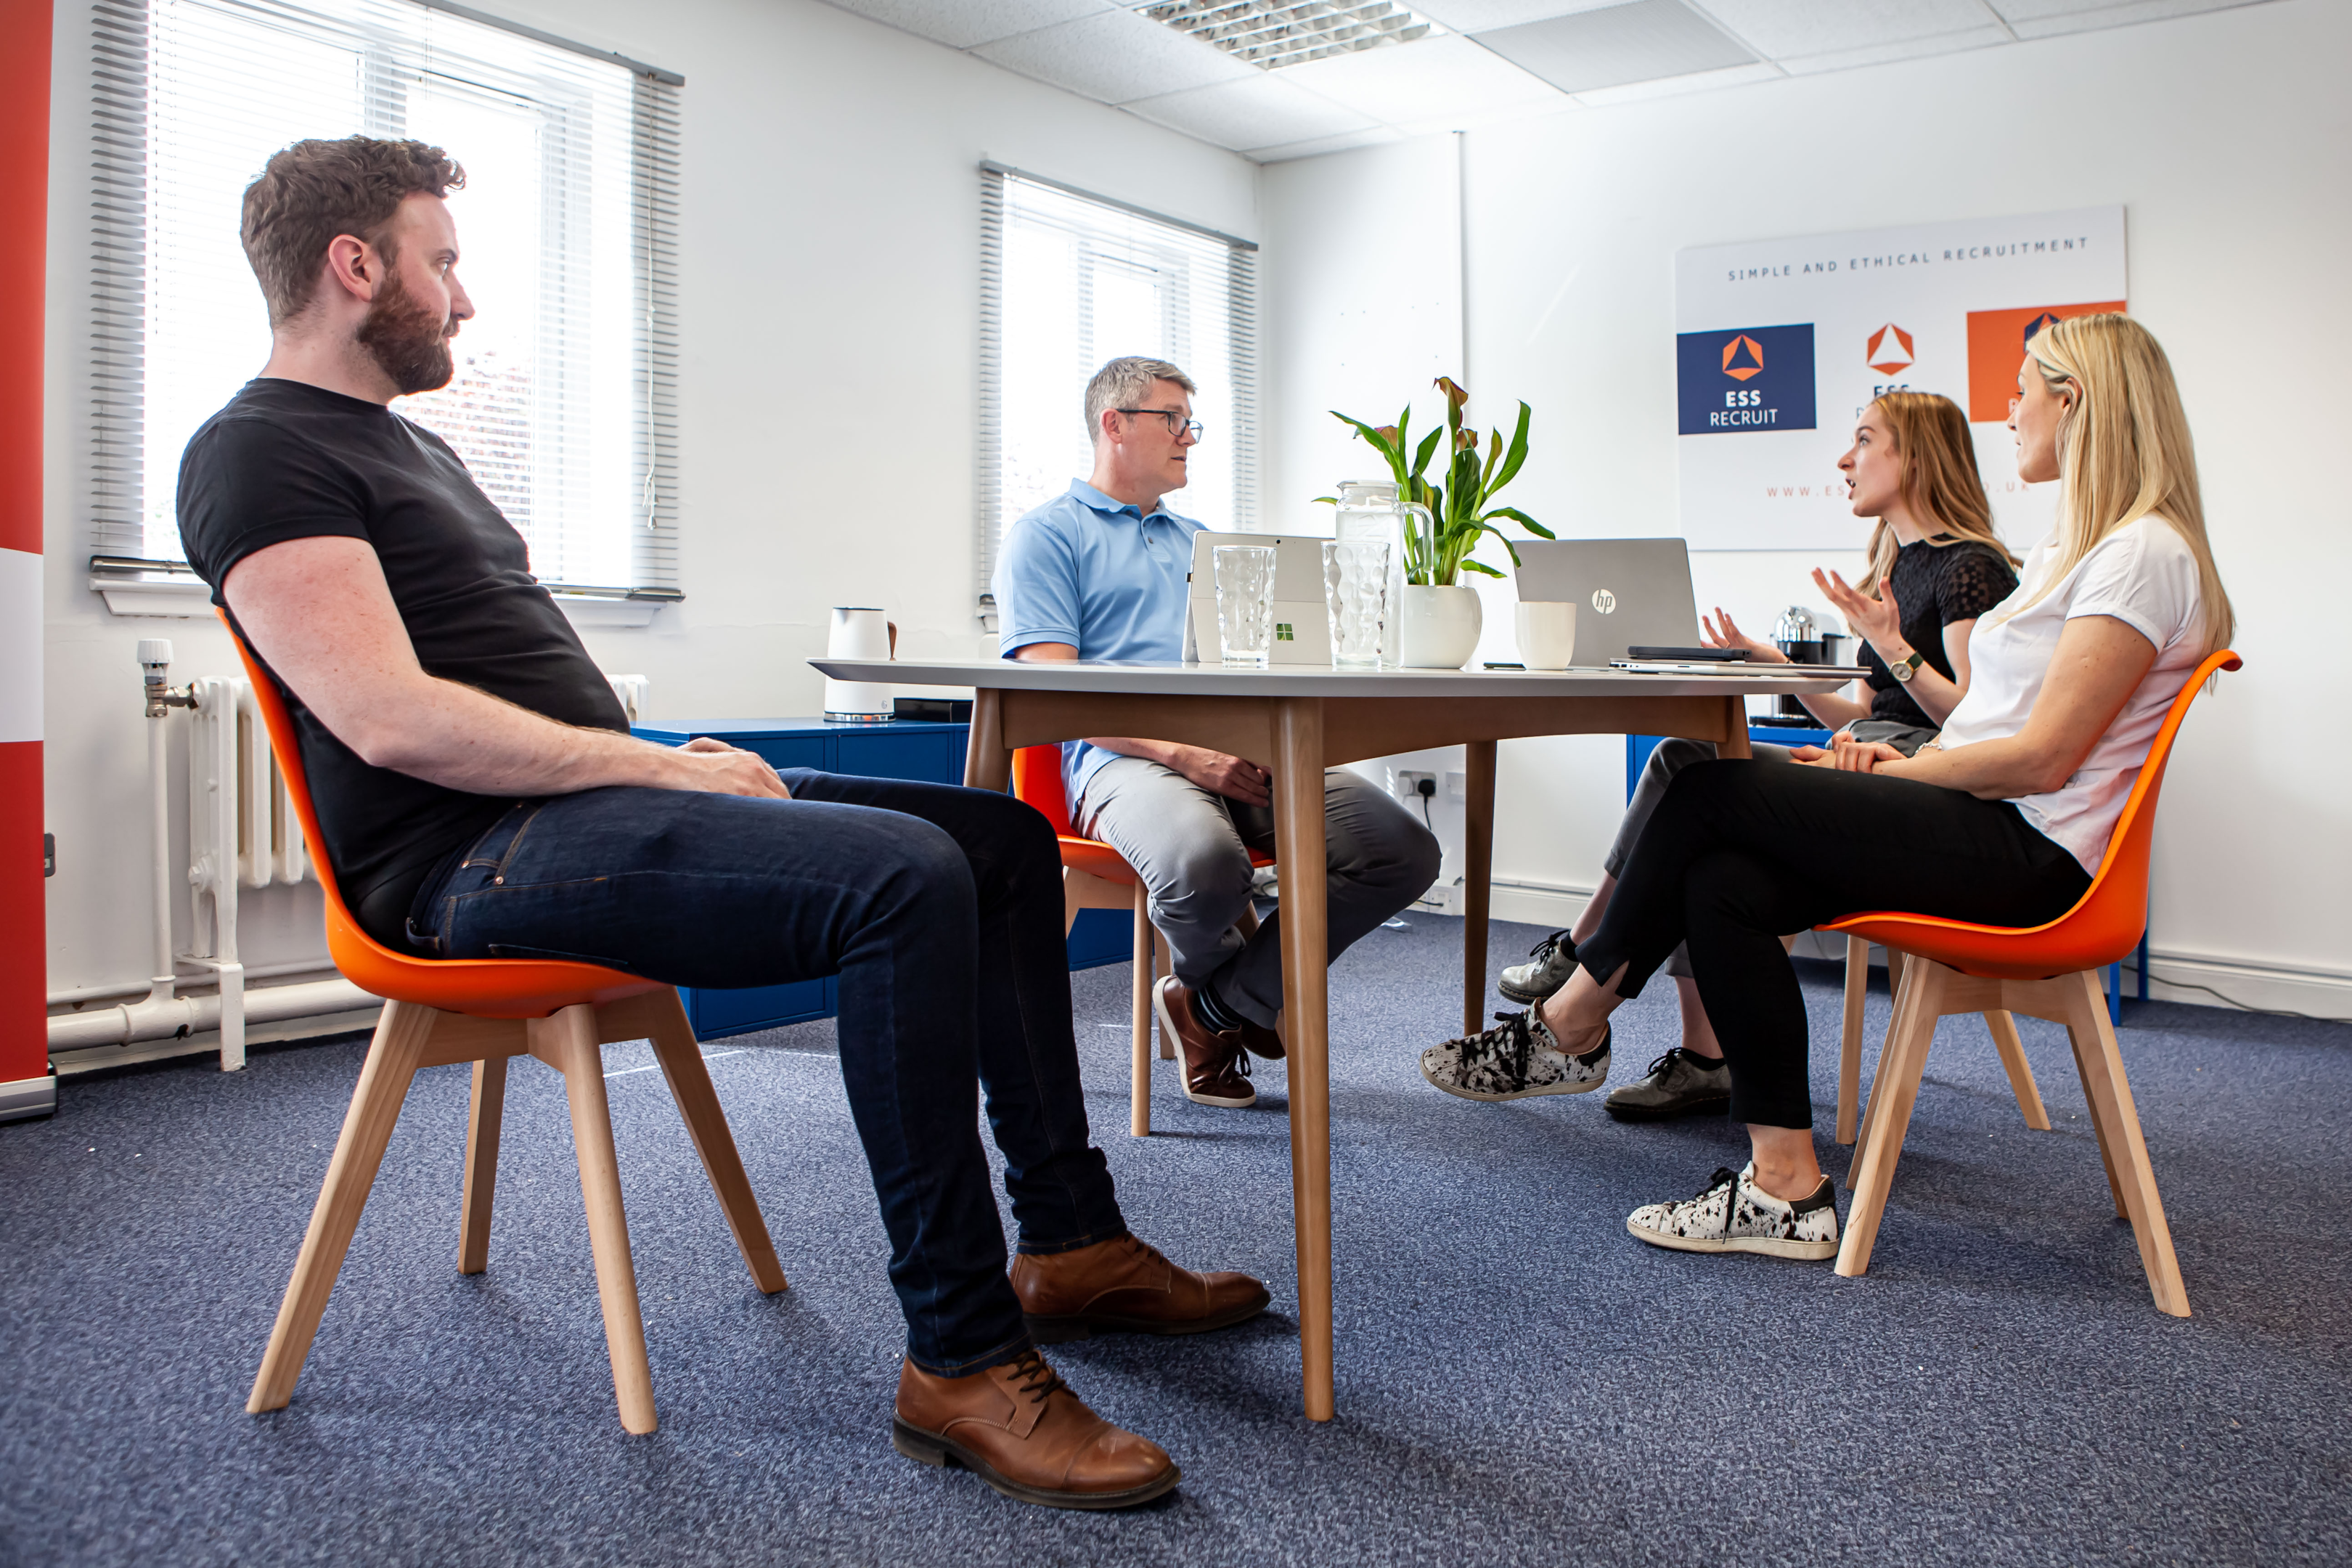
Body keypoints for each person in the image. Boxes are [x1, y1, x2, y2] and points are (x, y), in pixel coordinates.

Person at [179, 136, 1270, 1510]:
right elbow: (392, 722)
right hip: (470, 864)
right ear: (355, 266)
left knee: (996, 843)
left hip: (578, 798)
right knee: (903, 882)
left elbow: (496, 675)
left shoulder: (409, 448)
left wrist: (655, 755)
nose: (460, 300)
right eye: (441, 262)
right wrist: (655, 775)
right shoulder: (257, 452)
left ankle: (1070, 1242)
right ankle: (961, 1354)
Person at [1426, 313, 2231, 1261]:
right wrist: (1904, 756)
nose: (2008, 412)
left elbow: (2044, 758)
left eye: (2021, 391)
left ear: (2077, 400)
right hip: (1977, 816)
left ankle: (1572, 1021)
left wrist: (1910, 764)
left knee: (1703, 793)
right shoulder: (2088, 550)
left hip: (2033, 856)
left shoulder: (2143, 555)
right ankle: (1786, 1188)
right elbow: (2004, 730)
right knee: (1719, 877)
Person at [1463, 392, 2019, 1119]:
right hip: (1870, 755)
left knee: (1699, 783)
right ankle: (1687, 1042)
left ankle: (1601, 969)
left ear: (1913, 455)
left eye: (1863, 441)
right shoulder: (1899, 564)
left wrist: (1891, 647)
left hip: (1919, 779)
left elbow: (1974, 720)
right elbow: (1867, 712)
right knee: (1682, 759)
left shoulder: (1969, 568)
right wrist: (1781, 668)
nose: (1846, 460)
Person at [993, 357, 1441, 1108]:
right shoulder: (1046, 537)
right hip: (1121, 759)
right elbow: (1055, 692)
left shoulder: (1204, 541)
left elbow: (1257, 660)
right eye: (1173, 419)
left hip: (1240, 751)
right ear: (1114, 424)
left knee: (1401, 850)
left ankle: (1214, 1007)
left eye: (1189, 422)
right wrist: (1182, 754)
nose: (1189, 438)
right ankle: (1236, 1004)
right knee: (1207, 863)